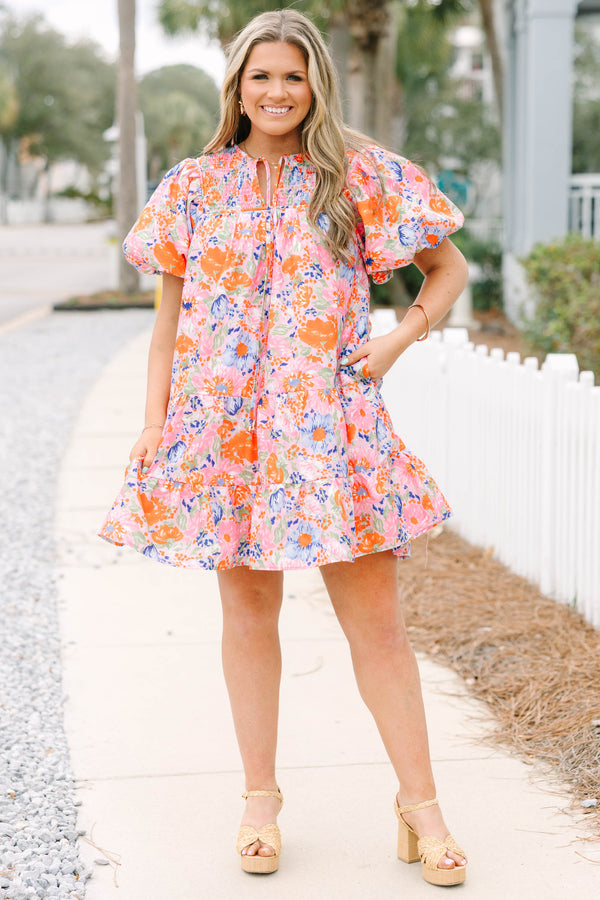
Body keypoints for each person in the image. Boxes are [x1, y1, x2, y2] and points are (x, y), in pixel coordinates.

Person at [100, 8, 469, 887]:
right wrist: (156, 427)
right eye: (261, 76)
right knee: (248, 616)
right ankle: (258, 803)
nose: (277, 92)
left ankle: (421, 808)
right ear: (238, 86)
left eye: (293, 77)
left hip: (332, 432)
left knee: (377, 626)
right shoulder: (192, 187)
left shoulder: (359, 177)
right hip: (225, 432)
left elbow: (449, 270)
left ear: (316, 87)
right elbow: (168, 329)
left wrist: (395, 340)